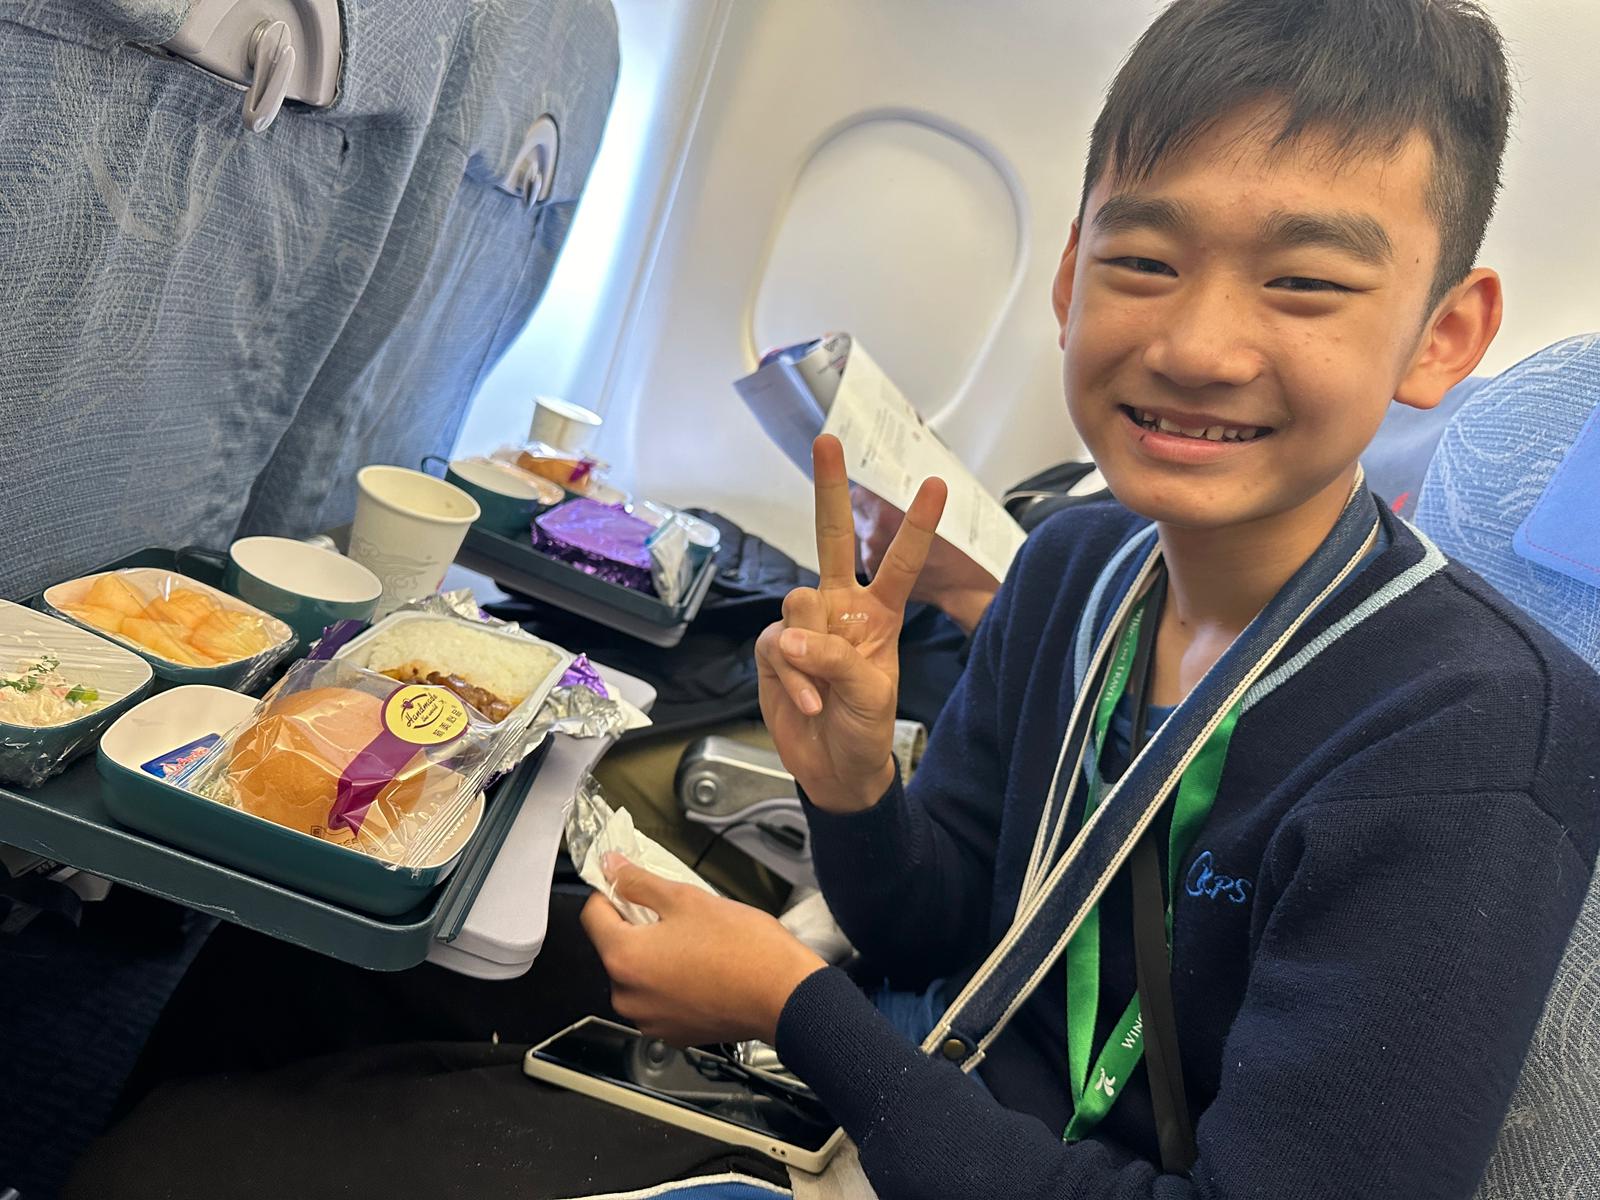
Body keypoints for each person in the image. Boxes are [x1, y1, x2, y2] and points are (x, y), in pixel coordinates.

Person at [69, 1, 1600, 1197]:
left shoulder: (1475, 739)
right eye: (1146, 259)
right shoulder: (1077, 566)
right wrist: (857, 783)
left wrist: (801, 1014)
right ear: (1069, 275)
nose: (1198, 343)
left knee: (186, 1172)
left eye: (1305, 283)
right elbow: (940, 923)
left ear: (1443, 335)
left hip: (951, 1138)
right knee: (305, 957)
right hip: (913, 1088)